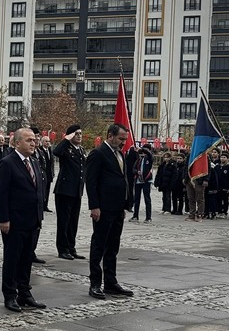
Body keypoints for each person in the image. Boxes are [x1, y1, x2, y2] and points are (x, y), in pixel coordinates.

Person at [0, 127, 48, 312]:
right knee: (12, 259)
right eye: (28, 140)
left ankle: (25, 293)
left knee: (26, 260)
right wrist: (4, 218)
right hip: (14, 222)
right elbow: (1, 192)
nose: (33, 143)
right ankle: (10, 295)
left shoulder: (34, 162)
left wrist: (39, 216)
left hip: (32, 221)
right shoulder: (8, 163)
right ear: (17, 143)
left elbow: (38, 189)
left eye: (34, 139)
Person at [84, 123, 133, 300]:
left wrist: (126, 204)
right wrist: (94, 206)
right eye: (121, 139)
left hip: (117, 208)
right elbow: (91, 182)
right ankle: (95, 283)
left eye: (125, 140)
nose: (123, 143)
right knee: (99, 246)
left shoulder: (120, 154)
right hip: (103, 209)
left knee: (113, 247)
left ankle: (111, 282)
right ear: (110, 135)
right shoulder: (98, 153)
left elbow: (123, 179)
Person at [52, 124, 86, 260]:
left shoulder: (81, 149)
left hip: (76, 190)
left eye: (80, 134)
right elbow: (56, 152)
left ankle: (71, 247)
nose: (79, 136)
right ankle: (63, 249)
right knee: (64, 222)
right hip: (64, 190)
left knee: (73, 221)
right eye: (76, 133)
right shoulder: (66, 148)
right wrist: (66, 139)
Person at [128, 144, 154, 222]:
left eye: (144, 151)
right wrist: (137, 172)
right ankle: (135, 216)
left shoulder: (149, 158)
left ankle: (148, 217)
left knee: (147, 199)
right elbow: (134, 168)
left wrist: (142, 149)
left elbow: (148, 153)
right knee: (137, 199)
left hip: (146, 181)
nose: (143, 153)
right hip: (138, 181)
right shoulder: (139, 159)